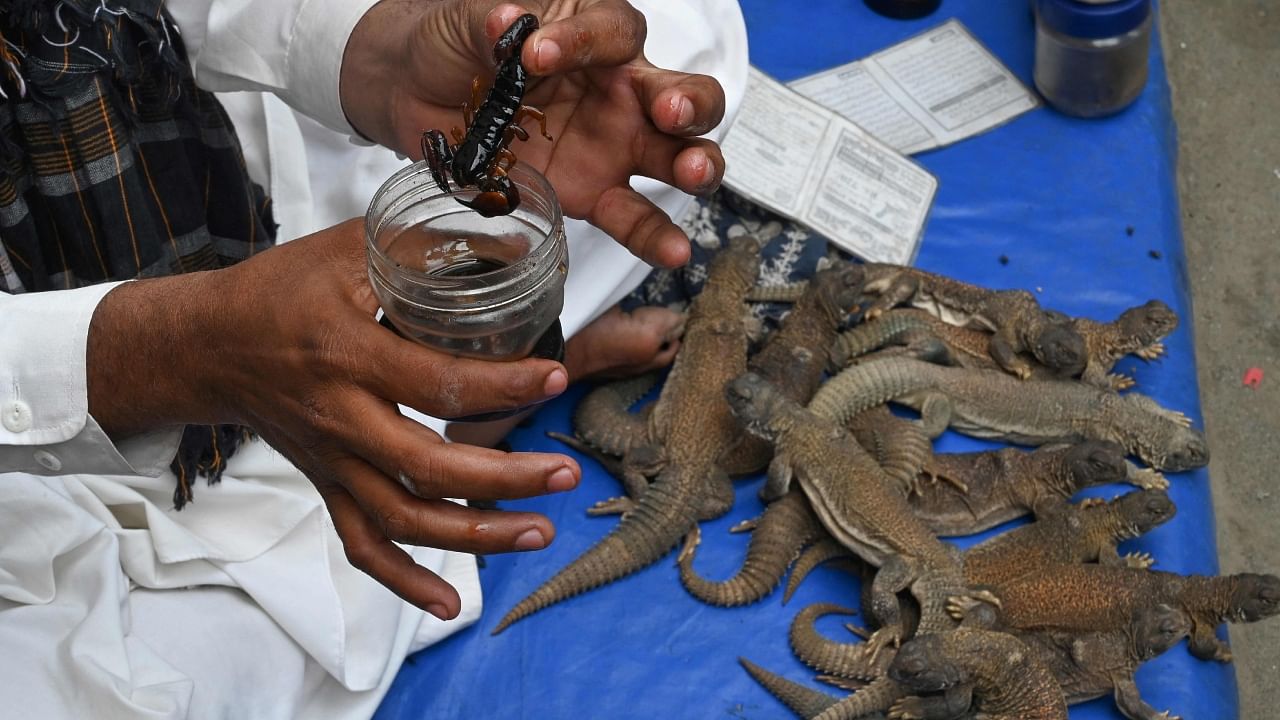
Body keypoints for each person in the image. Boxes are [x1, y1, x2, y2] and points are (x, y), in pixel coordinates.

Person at [0, 0, 747, 718]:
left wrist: (377, 53)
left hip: (163, 147)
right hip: (42, 400)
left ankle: (463, 386)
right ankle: (499, 387)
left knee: (671, 62)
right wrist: (185, 352)